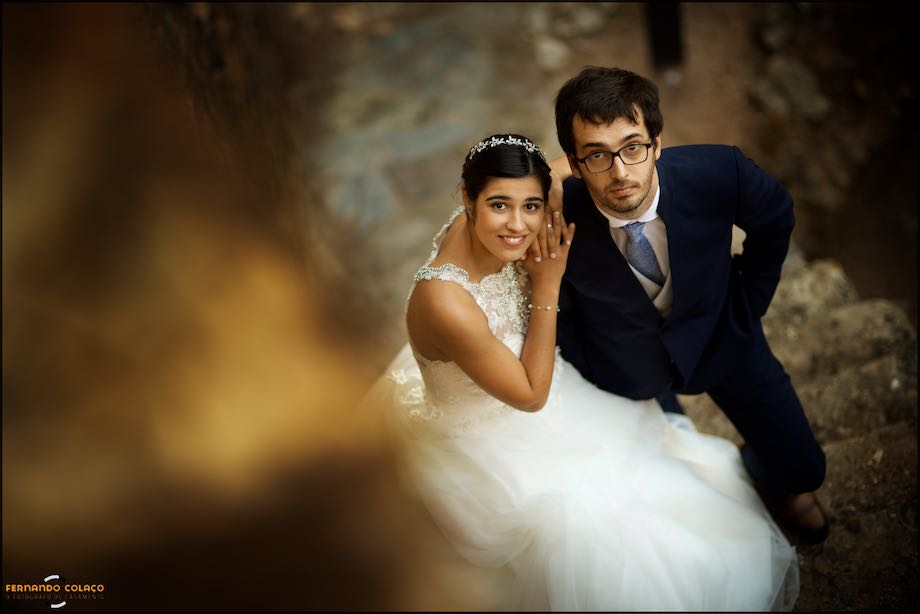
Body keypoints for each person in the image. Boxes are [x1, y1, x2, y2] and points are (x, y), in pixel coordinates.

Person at [370, 133, 799, 611]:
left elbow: (574, 164)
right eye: (499, 206)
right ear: (467, 198)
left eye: (531, 206)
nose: (518, 226)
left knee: (646, 454)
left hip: (547, 385)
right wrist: (547, 282)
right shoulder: (445, 303)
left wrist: (577, 175)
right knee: (589, 531)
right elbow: (531, 396)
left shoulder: (515, 203)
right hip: (496, 432)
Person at [534, 66, 829, 545]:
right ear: (573, 159)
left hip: (724, 335)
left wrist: (748, 302)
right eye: (597, 155)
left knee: (805, 466)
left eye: (633, 146)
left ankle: (770, 482)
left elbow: (776, 217)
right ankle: (674, 422)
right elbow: (554, 301)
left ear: (657, 141)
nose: (620, 172)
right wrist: (593, 362)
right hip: (628, 368)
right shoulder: (554, 217)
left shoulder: (719, 172)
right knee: (668, 481)